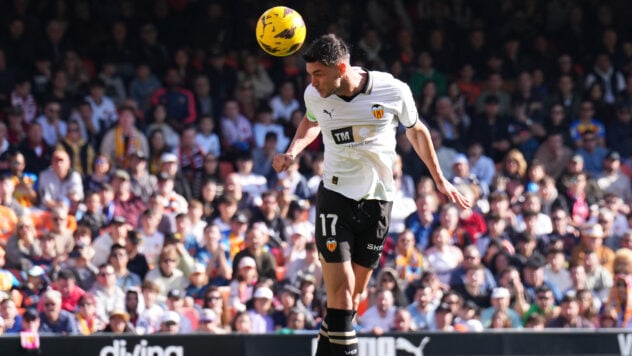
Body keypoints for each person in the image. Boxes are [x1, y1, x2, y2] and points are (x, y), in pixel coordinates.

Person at [273, 34, 470, 356]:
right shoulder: (315, 93)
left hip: (378, 200)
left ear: (341, 68)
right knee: (341, 293)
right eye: (309, 74)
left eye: (317, 73)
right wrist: (293, 151)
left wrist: (439, 179)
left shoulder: (392, 90)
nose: (312, 81)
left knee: (352, 300)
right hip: (335, 196)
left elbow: (417, 131)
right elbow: (311, 121)